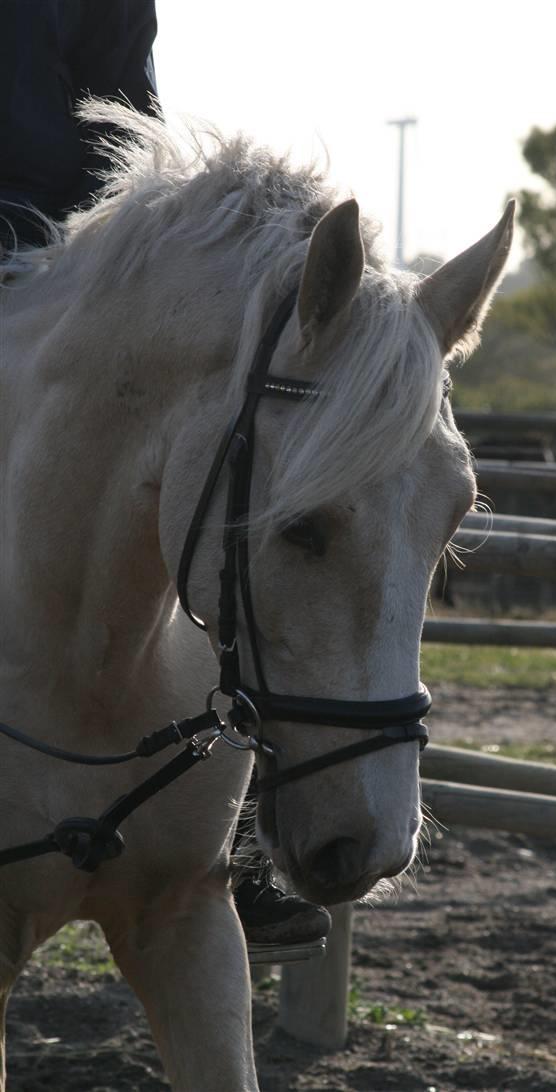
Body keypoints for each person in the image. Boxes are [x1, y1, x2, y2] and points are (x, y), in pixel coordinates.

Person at [0, 0, 331, 949]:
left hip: (69, 268)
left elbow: (127, 125)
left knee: (232, 470)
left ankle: (231, 825)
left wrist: (131, 252)